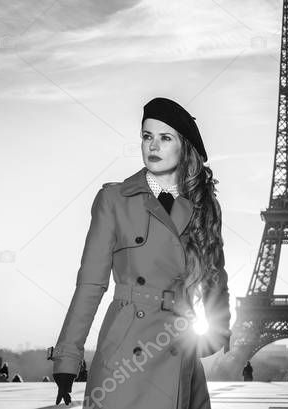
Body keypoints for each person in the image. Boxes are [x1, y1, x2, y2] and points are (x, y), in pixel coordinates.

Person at [49, 97, 232, 409]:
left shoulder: (202, 208)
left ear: (184, 146)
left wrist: (218, 327)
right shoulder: (114, 200)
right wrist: (68, 357)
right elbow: (90, 284)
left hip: (181, 354)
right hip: (126, 353)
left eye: (165, 137)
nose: (153, 146)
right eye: (147, 136)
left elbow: (216, 274)